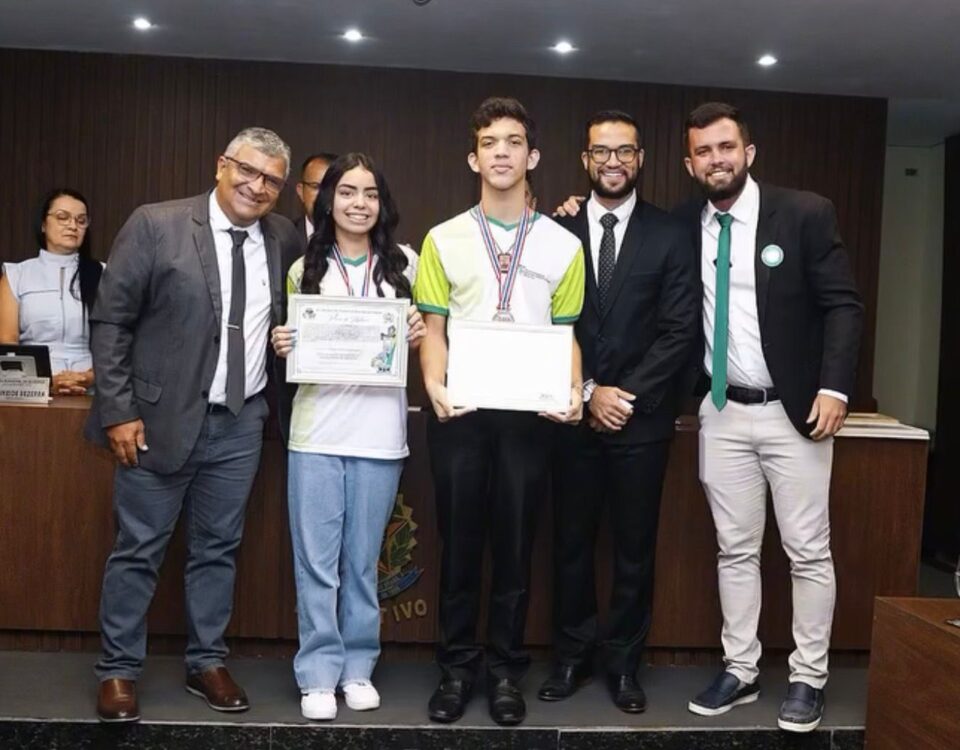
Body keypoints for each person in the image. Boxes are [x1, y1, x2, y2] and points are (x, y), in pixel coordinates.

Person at [86, 127, 303, 723]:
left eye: (271, 180)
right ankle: (118, 670)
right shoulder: (157, 224)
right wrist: (118, 410)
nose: (256, 186)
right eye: (247, 170)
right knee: (138, 549)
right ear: (220, 165)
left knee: (218, 549)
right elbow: (111, 322)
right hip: (156, 421)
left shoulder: (283, 238)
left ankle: (206, 661)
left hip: (241, 422)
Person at [678, 102, 863, 733]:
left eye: (726, 147)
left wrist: (835, 388)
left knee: (807, 550)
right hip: (722, 410)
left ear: (748, 153)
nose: (717, 160)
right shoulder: (684, 225)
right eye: (704, 151)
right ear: (690, 164)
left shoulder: (804, 213)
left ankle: (809, 677)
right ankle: (742, 668)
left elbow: (843, 306)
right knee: (734, 550)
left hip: (795, 413)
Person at [414, 96, 585, 727]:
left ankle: (506, 671)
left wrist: (574, 391)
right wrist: (433, 385)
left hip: (529, 419)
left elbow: (566, 333)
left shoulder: (563, 245)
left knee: (515, 548)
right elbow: (433, 329)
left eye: (514, 142)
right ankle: (457, 670)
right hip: (460, 412)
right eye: (490, 143)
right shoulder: (443, 239)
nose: (502, 153)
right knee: (459, 545)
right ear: (474, 159)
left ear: (532, 156)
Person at [538, 111, 698, 713]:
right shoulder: (556, 230)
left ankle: (625, 666)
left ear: (641, 159)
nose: (613, 162)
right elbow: (546, 322)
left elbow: (680, 330)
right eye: (601, 151)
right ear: (585, 159)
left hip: (641, 421)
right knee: (570, 544)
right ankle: (572, 656)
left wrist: (621, 395)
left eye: (624, 151)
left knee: (634, 549)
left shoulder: (671, 233)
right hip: (571, 416)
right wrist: (589, 392)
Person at [270, 153, 426, 721]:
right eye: (347, 192)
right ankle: (317, 674)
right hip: (316, 432)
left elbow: (429, 338)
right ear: (327, 200)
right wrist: (285, 343)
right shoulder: (303, 268)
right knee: (316, 563)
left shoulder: (406, 264)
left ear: (382, 203)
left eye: (370, 193)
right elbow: (295, 340)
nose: (359, 203)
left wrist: (418, 330)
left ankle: (358, 667)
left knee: (361, 564)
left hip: (379, 434)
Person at [0, 188, 103, 394]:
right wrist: (45, 382)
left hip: (92, 387)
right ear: (43, 224)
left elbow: (117, 339)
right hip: (30, 389)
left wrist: (92, 377)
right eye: (63, 217)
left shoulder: (104, 274)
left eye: (81, 220)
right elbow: (7, 341)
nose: (72, 226)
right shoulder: (16, 275)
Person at [294, 152, 338, 241]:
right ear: (301, 191)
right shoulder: (285, 237)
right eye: (316, 187)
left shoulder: (359, 239)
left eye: (333, 188)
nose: (324, 195)